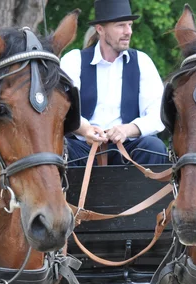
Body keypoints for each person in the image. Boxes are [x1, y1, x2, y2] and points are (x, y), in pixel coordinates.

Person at [60, 0, 167, 166]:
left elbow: (157, 114)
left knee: (153, 147)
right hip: (81, 148)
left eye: (130, 25)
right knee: (57, 150)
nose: (128, 31)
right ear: (100, 29)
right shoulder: (73, 60)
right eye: (120, 25)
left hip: (128, 147)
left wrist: (127, 129)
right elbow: (61, 108)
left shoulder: (142, 62)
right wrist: (85, 129)